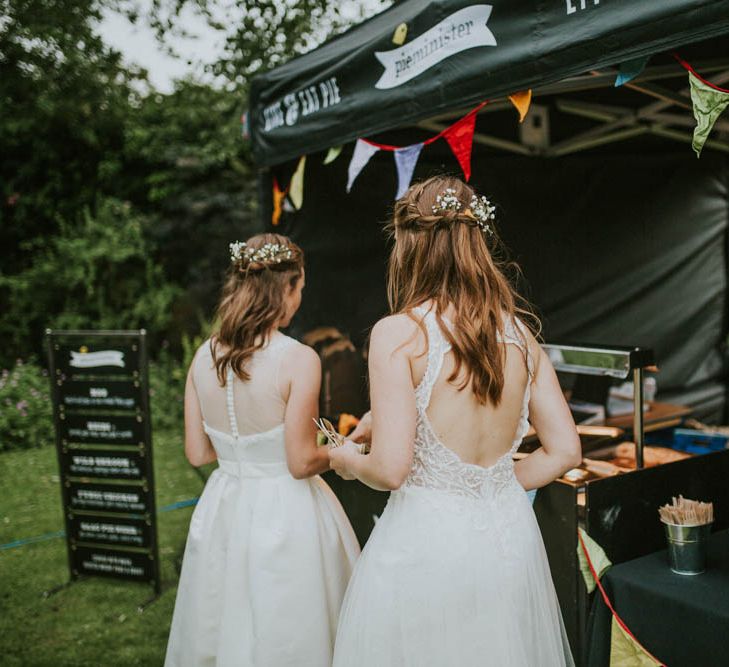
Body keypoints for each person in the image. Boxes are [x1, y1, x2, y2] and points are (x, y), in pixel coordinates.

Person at [329, 176, 580, 666]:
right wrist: (491, 486)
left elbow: (390, 470)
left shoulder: (397, 333)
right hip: (509, 540)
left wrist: (346, 460)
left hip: (428, 547)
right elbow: (566, 450)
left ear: (409, 246)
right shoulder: (520, 335)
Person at [165, 233, 360, 667]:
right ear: (285, 289)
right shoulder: (298, 359)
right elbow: (300, 461)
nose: (298, 302)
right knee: (293, 628)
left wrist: (241, 450)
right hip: (287, 513)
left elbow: (198, 452)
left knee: (223, 622)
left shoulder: (203, 356)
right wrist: (341, 451)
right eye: (300, 290)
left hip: (225, 507)